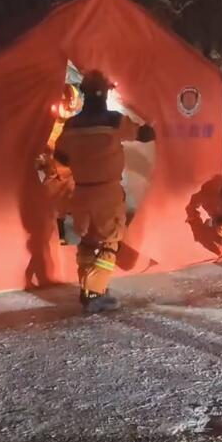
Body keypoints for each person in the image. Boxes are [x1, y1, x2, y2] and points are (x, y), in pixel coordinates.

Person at [55, 70, 156, 313]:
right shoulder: (113, 121)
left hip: (81, 193)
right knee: (109, 243)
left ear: (83, 93)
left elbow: (61, 157)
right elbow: (145, 135)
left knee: (87, 243)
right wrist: (153, 121)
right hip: (106, 194)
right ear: (106, 93)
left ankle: (88, 288)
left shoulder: (70, 124)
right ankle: (94, 295)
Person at [36, 84, 80, 244]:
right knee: (51, 204)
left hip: (66, 172)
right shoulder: (46, 123)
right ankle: (53, 234)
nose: (67, 111)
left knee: (61, 203)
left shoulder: (73, 124)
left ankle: (59, 233)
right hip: (54, 171)